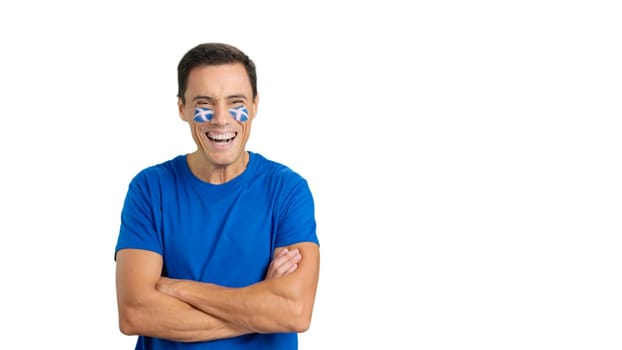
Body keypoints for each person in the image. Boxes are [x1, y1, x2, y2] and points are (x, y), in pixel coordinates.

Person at [114, 42, 320, 349]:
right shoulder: (150, 189)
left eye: (235, 101)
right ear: (182, 108)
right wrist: (260, 306)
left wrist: (183, 290)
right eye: (204, 103)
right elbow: (135, 313)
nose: (221, 118)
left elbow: (295, 312)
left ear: (255, 105)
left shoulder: (287, 191)